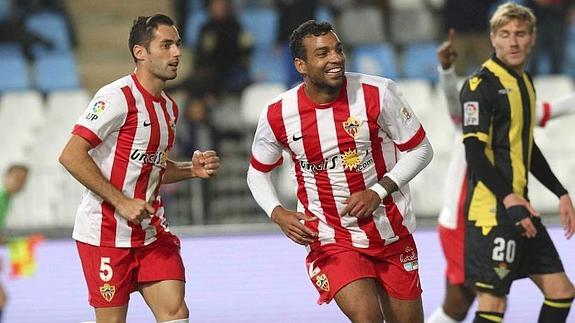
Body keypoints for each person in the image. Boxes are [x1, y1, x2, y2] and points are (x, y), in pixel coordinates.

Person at [247, 20, 433, 322]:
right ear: (301, 65)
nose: (335, 58)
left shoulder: (378, 93)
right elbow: (257, 172)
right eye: (322, 53)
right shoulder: (278, 113)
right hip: (330, 236)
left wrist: (378, 190)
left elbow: (421, 149)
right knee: (367, 317)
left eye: (338, 49)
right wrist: (277, 213)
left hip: (391, 231)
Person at [58, 14, 220, 323]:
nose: (177, 53)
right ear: (140, 52)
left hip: (150, 234)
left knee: (176, 313)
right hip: (105, 235)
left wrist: (189, 169)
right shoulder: (116, 98)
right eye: (166, 45)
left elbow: (152, 168)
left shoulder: (169, 107)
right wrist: (121, 201)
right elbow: (71, 155)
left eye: (178, 45)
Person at [428, 28, 575, 323]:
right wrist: (446, 71)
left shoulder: (513, 112)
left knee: (484, 300)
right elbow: (455, 107)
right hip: (466, 218)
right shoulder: (473, 112)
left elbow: (544, 111)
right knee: (467, 302)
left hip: (504, 213)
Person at [0, 164, 29, 320]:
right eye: (17, 178)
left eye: (24, 180)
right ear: (6, 177)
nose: (21, 183)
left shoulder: (6, 199)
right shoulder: (1, 197)